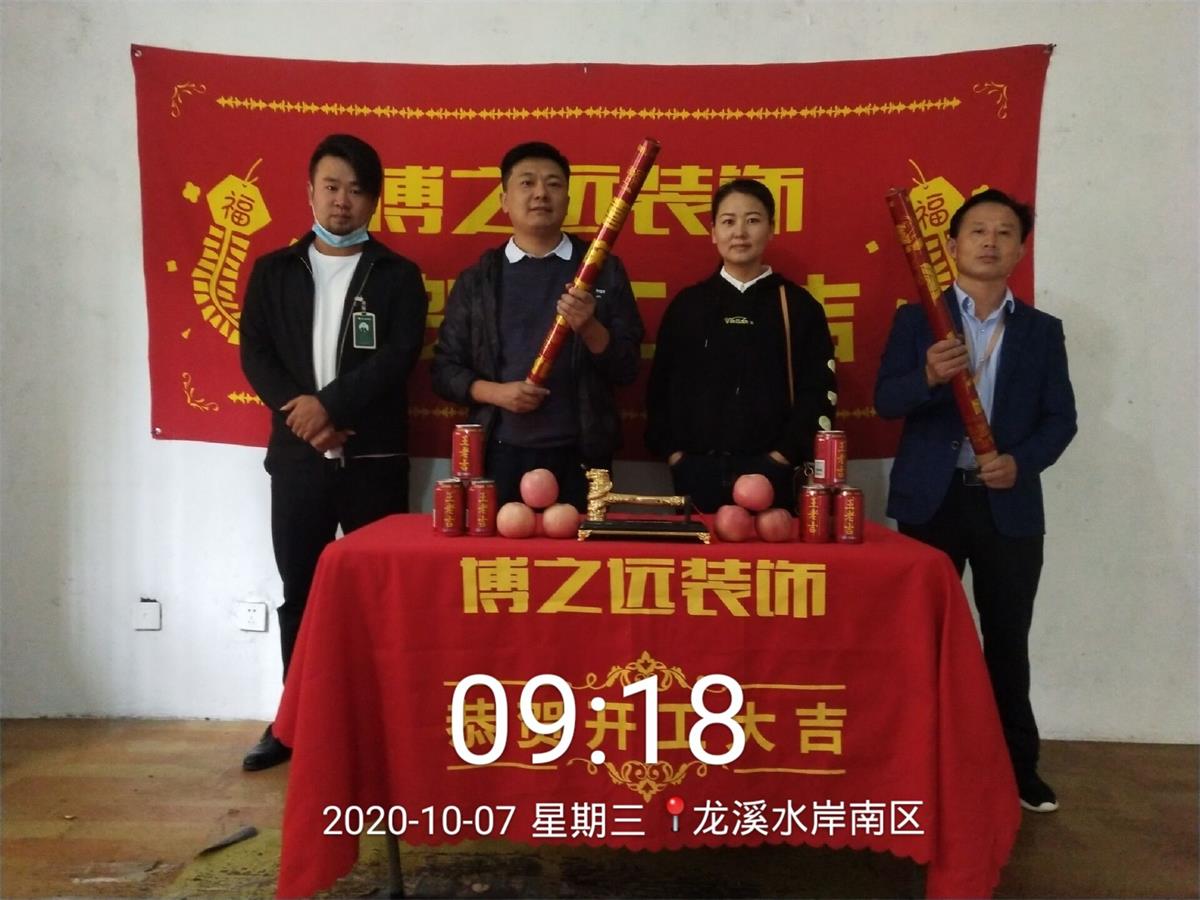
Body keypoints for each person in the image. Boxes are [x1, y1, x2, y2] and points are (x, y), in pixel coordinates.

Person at [874, 188, 1077, 812]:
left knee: (1007, 642)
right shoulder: (918, 320)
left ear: (1020, 249)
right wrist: (928, 376)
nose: (990, 242)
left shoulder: (1041, 331)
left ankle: (1018, 771)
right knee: (920, 644)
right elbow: (885, 401)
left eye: (1005, 232)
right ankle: (915, 768)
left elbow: (1060, 420)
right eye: (978, 231)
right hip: (931, 503)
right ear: (953, 244)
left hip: (1007, 507)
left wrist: (1020, 462)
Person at [238, 134, 428, 770]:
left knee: (379, 598)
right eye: (331, 186)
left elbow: (398, 358)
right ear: (310, 191)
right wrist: (305, 416)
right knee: (301, 592)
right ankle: (295, 724)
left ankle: (381, 724)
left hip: (372, 462)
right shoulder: (274, 271)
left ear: (374, 200)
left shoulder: (397, 276)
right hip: (297, 461)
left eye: (356, 189)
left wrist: (331, 407)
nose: (342, 200)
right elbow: (255, 355)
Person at [431, 141, 644, 510]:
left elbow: (628, 367)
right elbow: (444, 370)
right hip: (499, 454)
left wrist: (590, 327)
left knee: (578, 548)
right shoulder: (478, 279)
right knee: (500, 548)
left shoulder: (602, 270)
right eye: (527, 183)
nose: (541, 193)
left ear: (567, 198)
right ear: (504, 200)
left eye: (553, 184)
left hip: (583, 455)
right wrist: (497, 393)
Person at [645, 178, 837, 512]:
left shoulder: (798, 306)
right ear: (713, 232)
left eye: (752, 220)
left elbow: (819, 391)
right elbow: (659, 389)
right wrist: (677, 457)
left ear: (771, 229)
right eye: (728, 221)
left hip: (773, 475)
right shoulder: (688, 305)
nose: (740, 232)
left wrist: (782, 457)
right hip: (697, 473)